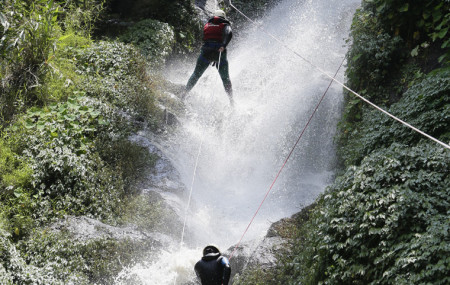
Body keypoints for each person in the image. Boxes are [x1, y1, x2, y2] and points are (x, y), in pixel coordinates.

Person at [183, 9, 234, 106]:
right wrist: (223, 45)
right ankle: (231, 100)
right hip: (219, 53)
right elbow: (229, 33)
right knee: (225, 78)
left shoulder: (207, 25)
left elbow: (204, 37)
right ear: (223, 17)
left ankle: (185, 93)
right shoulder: (225, 25)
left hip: (206, 53)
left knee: (196, 74)